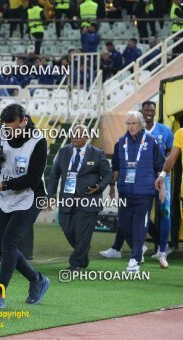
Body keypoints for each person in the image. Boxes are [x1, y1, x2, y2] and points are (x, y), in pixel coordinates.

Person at [0, 103, 50, 309]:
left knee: (9, 244)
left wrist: (2, 185)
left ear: (25, 120)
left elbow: (32, 178)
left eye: (15, 127)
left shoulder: (38, 141)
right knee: (4, 248)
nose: (10, 132)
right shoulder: (2, 131)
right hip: (4, 197)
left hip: (30, 197)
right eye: (7, 128)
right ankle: (37, 279)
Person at [100, 102, 173, 269]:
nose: (131, 126)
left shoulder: (152, 141)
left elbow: (160, 168)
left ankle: (134, 260)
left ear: (140, 125)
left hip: (145, 193)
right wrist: (112, 187)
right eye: (128, 123)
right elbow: (116, 167)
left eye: (134, 123)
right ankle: (139, 250)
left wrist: (162, 188)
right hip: (125, 191)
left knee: (140, 225)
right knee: (124, 226)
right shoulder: (120, 143)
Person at [48, 125, 112, 271]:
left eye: (78, 135)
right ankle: (82, 251)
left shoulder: (97, 153)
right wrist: (50, 196)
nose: (74, 138)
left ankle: (76, 264)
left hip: (88, 200)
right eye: (73, 135)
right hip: (67, 199)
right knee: (68, 229)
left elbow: (107, 174)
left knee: (83, 233)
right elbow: (54, 175)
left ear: (86, 137)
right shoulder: (64, 151)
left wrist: (99, 186)